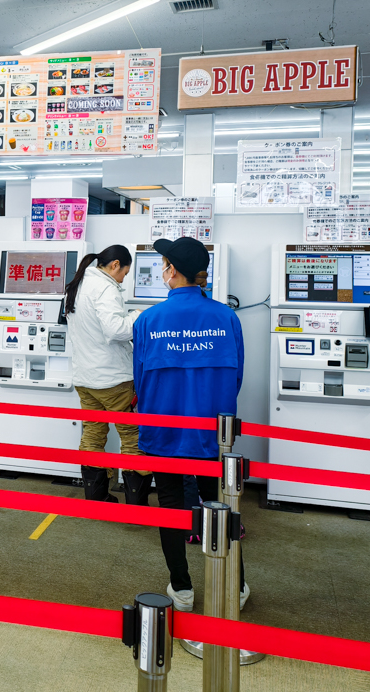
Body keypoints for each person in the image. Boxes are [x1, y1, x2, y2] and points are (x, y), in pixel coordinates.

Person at [133, 237, 246, 613]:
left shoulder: (148, 320)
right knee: (220, 507)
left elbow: (140, 381)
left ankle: (181, 589)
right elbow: (237, 378)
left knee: (169, 506)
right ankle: (237, 585)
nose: (162, 271)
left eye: (164, 265)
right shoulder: (227, 318)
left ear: (172, 271)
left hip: (163, 431)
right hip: (213, 434)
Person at [65, 245, 149, 505]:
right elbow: (116, 331)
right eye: (125, 271)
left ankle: (96, 497)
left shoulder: (77, 284)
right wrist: (138, 315)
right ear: (114, 265)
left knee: (92, 433)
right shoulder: (105, 288)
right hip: (113, 379)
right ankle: (136, 505)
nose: (124, 278)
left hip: (84, 378)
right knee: (132, 436)